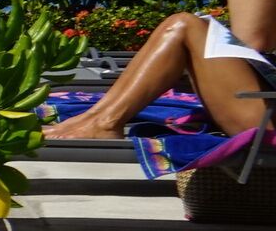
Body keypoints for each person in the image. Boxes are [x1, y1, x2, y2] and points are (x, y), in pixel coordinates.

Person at [48, 11, 271, 143]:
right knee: (185, 24)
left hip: (267, 122)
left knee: (184, 26)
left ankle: (105, 122)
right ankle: (95, 118)